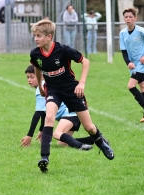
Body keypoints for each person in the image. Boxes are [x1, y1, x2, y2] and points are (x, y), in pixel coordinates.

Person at [30, 19, 114, 173]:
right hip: (53, 90)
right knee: (49, 117)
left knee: (89, 126)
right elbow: (37, 68)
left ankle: (101, 143)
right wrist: (41, 86)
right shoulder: (35, 53)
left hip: (71, 90)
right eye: (35, 35)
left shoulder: (63, 50)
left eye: (39, 36)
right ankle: (44, 157)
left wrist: (81, 83)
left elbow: (85, 62)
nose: (36, 39)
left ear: (49, 37)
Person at [20, 65, 109, 149]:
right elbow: (45, 112)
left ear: (41, 76)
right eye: (28, 77)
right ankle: (96, 139)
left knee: (57, 134)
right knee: (62, 144)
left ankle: (81, 147)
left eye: (32, 77)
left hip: (70, 113)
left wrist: (29, 135)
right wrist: (42, 130)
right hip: (72, 113)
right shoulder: (46, 85)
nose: (29, 80)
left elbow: (38, 114)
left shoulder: (42, 87)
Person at [119, 7, 144, 123]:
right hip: (134, 64)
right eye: (126, 17)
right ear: (124, 19)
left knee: (131, 86)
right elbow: (124, 51)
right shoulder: (122, 33)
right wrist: (128, 62)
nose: (128, 19)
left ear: (135, 18)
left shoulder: (141, 31)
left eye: (130, 17)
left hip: (142, 63)